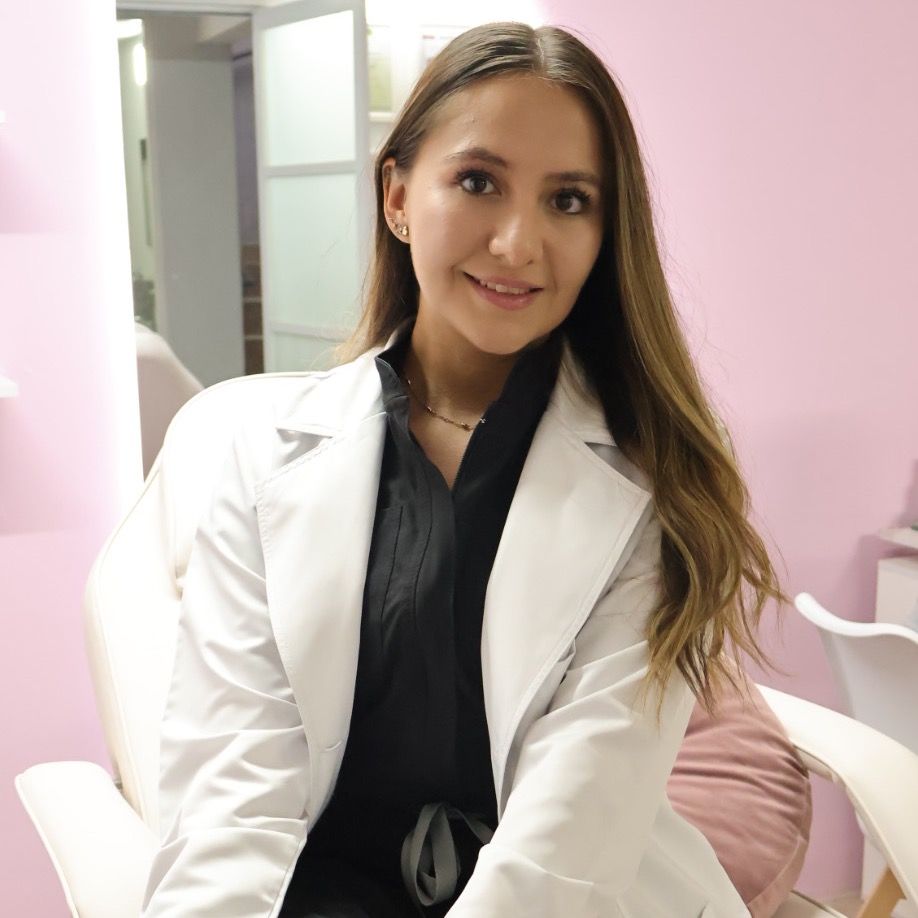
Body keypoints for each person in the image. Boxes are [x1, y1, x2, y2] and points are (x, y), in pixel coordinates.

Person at [141, 21, 785, 918]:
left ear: (606, 233)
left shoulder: (655, 471)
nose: (518, 243)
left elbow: (574, 824)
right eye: (479, 182)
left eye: (568, 200)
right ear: (399, 197)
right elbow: (232, 787)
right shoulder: (262, 458)